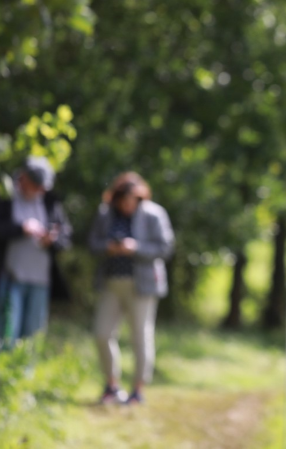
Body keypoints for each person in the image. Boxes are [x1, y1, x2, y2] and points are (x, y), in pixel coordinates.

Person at [88, 172, 174, 405]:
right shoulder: (105, 213)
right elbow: (92, 243)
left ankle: (137, 391)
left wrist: (135, 248)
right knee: (102, 333)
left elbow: (165, 248)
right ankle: (112, 386)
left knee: (140, 337)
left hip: (142, 286)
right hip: (111, 283)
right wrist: (109, 247)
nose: (126, 206)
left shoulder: (153, 213)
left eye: (131, 201)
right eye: (122, 201)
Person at [0, 156, 72, 348]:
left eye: (43, 187)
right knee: (6, 335)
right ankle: (2, 374)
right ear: (23, 178)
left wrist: (52, 240)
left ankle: (27, 375)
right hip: (9, 277)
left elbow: (65, 235)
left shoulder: (49, 201)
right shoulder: (3, 195)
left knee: (33, 336)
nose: (40, 191)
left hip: (40, 281)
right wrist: (20, 229)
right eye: (36, 185)